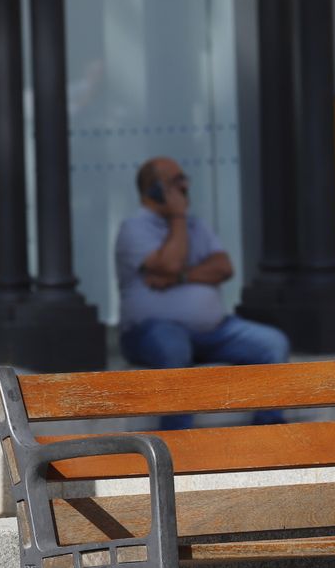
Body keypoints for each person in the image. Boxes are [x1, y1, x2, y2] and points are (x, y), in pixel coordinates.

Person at [113, 156, 290, 426]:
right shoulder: (133, 228)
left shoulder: (197, 225)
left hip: (214, 331)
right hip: (151, 331)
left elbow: (224, 267)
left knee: (273, 344)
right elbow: (171, 262)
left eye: (185, 179)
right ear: (153, 189)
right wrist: (178, 217)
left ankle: (269, 431)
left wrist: (180, 277)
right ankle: (179, 443)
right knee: (174, 348)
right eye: (176, 181)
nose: (185, 186)